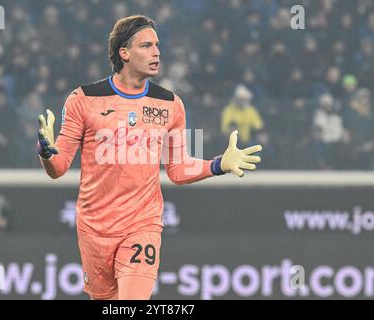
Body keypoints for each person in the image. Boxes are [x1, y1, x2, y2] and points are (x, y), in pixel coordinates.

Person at [37, 15, 262, 300]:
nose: (157, 52)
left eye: (157, 45)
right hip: (94, 228)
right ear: (124, 53)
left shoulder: (170, 104)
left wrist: (218, 165)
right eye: (146, 45)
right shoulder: (83, 99)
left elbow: (178, 169)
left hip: (142, 223)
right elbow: (57, 168)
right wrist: (46, 152)